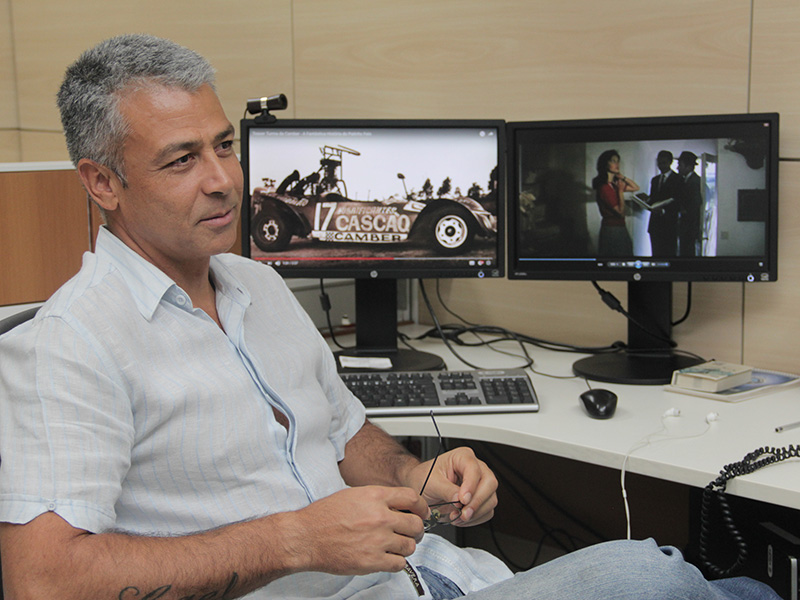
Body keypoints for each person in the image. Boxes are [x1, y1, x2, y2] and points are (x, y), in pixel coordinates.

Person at [0, 34, 781, 600]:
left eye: (225, 147)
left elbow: (344, 433)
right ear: (101, 183)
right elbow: (44, 581)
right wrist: (296, 540)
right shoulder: (68, 346)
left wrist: (417, 474)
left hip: (435, 575)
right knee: (654, 573)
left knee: (721, 587)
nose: (223, 181)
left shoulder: (256, 287)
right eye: (181, 159)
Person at [591, 149, 639, 256]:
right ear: (605, 164)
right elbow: (621, 212)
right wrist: (620, 191)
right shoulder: (605, 188)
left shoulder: (613, 185)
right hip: (612, 229)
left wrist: (622, 177)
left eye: (618, 161)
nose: (617, 164)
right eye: (613, 161)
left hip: (619, 227)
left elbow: (635, 187)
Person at [647, 150, 681, 256]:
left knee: (669, 254)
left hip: (669, 224)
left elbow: (678, 201)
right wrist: (646, 201)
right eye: (659, 163)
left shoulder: (678, 179)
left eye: (663, 163)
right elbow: (653, 199)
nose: (660, 166)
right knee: (656, 254)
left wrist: (663, 210)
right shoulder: (655, 180)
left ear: (670, 162)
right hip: (655, 224)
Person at [676, 150, 704, 257]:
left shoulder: (694, 181)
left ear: (688, 167)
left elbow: (696, 203)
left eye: (680, 165)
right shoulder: (686, 180)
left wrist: (683, 211)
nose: (678, 168)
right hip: (686, 226)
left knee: (687, 253)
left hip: (689, 227)